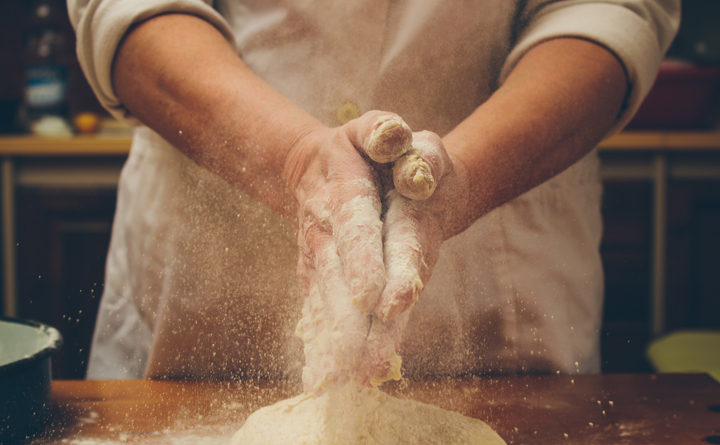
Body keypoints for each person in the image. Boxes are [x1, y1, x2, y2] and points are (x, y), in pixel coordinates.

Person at [68, 0, 680, 382]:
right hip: (204, 282)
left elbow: (606, 13)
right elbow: (128, 8)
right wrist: (292, 159)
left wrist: (466, 175)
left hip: (503, 286)